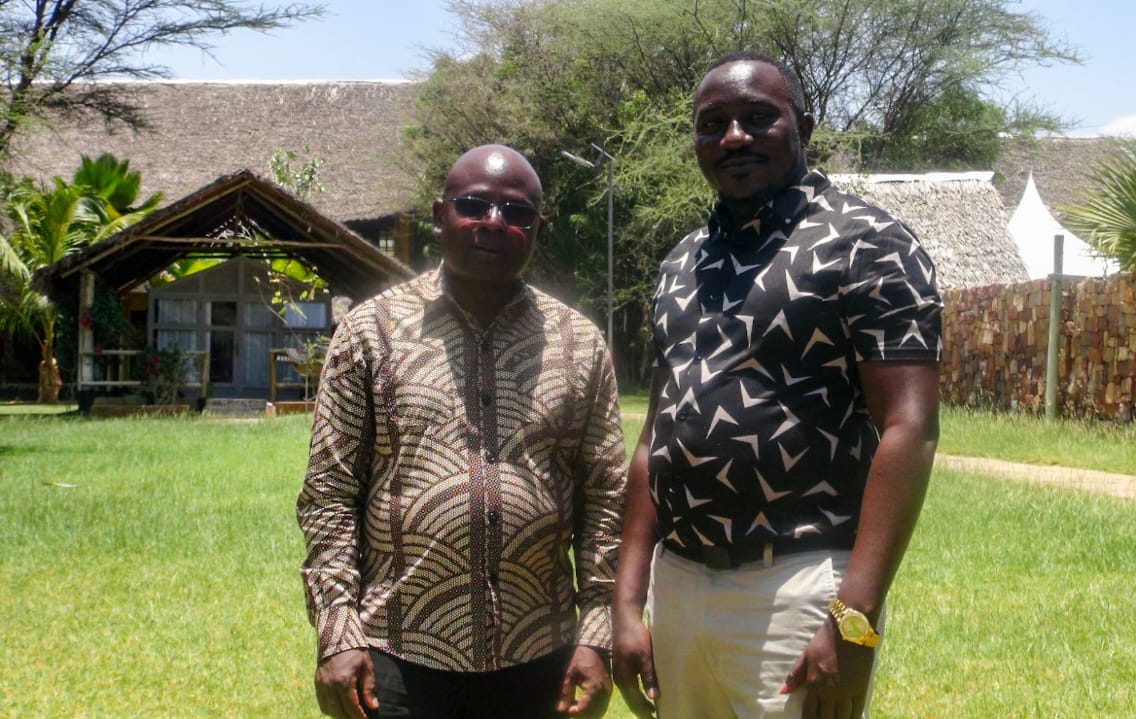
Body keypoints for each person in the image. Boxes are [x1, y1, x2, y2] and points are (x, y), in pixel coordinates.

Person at [611, 51, 943, 719]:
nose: (734, 137)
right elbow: (655, 438)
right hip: (680, 585)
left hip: (799, 586)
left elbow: (910, 427)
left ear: (804, 126)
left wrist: (854, 616)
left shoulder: (867, 243)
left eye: (758, 117)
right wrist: (626, 600)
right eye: (713, 124)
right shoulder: (682, 264)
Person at [298, 144, 626, 719]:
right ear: (439, 215)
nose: (494, 223)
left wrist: (597, 632)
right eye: (474, 205)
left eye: (516, 212)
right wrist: (336, 630)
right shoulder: (370, 333)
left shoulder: (578, 343)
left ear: (538, 227)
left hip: (539, 654)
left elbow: (606, 497)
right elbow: (329, 493)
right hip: (396, 649)